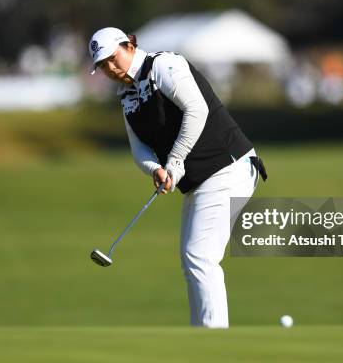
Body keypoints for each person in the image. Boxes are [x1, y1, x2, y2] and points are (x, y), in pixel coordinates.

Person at [88, 27, 267, 328]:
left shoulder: (164, 66)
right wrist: (155, 169)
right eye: (102, 65)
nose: (110, 68)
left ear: (128, 46)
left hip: (228, 166)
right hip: (201, 180)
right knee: (191, 259)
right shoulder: (127, 97)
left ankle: (214, 344)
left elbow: (196, 110)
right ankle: (201, 338)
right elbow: (138, 148)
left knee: (200, 257)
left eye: (112, 58)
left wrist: (174, 160)